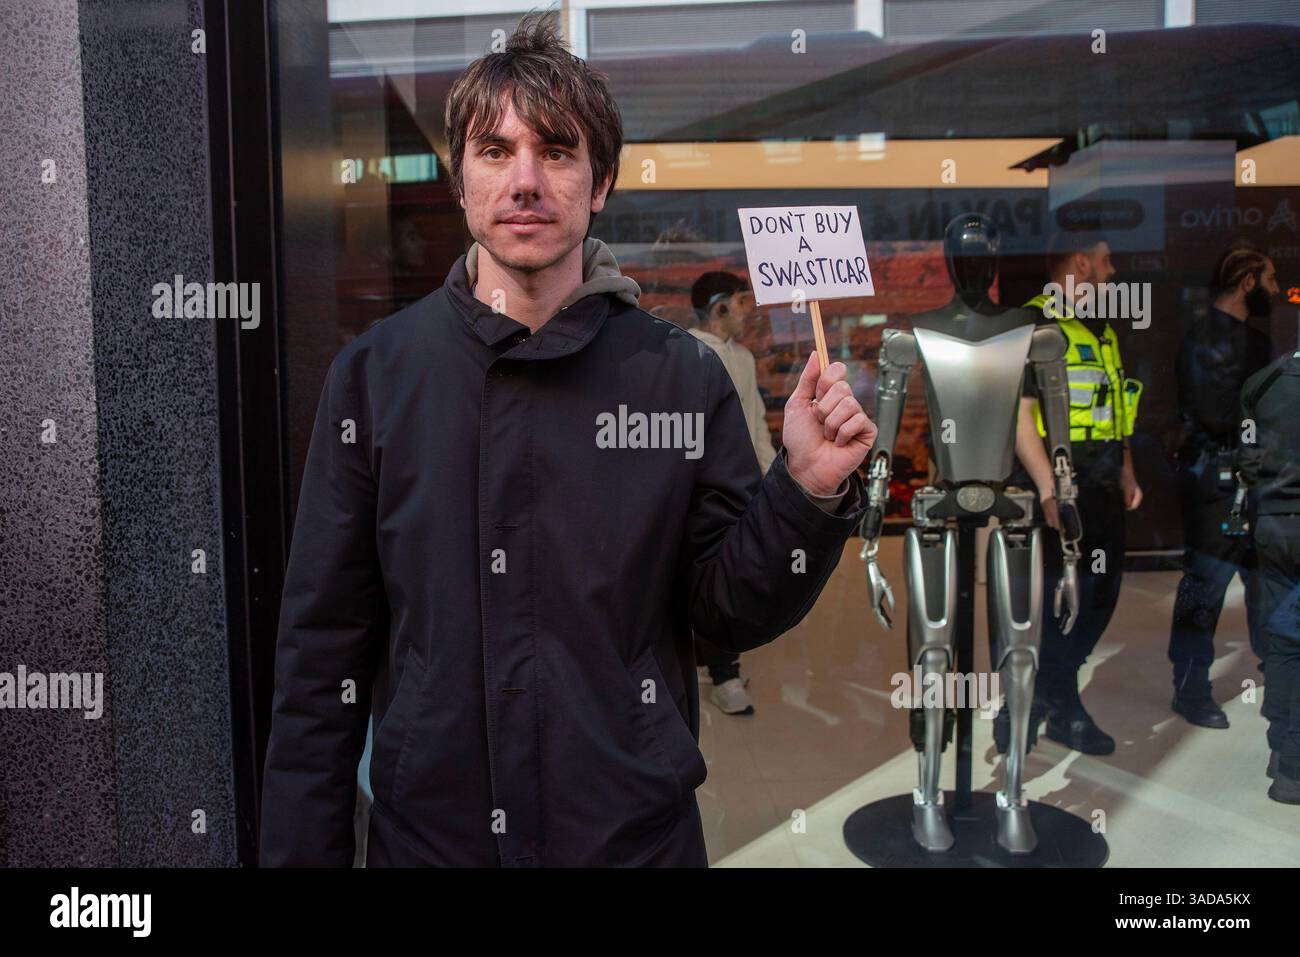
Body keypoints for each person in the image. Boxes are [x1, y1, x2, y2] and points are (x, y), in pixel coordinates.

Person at [257, 11, 876, 868]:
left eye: (556, 151)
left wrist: (805, 491)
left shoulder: (678, 377)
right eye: (495, 151)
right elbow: (322, 658)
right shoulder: (376, 378)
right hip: (432, 846)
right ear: (458, 177)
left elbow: (725, 609)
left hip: (631, 844)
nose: (525, 181)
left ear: (601, 180)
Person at [1007, 234, 1142, 756]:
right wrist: (1048, 488)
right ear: (1081, 262)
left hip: (1104, 480)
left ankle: (1049, 691)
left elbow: (1116, 407)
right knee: (1061, 597)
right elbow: (1020, 419)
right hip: (1063, 482)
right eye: (1106, 260)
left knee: (1100, 595)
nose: (1112, 271)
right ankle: (1058, 702)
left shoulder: (1102, 328)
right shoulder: (1035, 324)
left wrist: (1127, 468)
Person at [1167, 246, 1276, 728]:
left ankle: (1278, 672)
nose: (1277, 288)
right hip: (1215, 482)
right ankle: (1190, 690)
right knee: (1204, 586)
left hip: (1253, 479)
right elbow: (1215, 414)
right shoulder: (1203, 340)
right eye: (1270, 279)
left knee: (1265, 582)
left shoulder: (1253, 340)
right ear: (1249, 281)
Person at [687, 272, 779, 715]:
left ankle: (723, 669)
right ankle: (713, 666)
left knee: (728, 576)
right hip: (691, 487)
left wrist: (773, 478)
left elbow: (756, 421)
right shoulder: (683, 351)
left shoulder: (742, 358)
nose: (748, 313)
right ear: (720, 307)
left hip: (734, 486)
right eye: (742, 303)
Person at [1238, 347, 1300, 804]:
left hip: (1273, 525)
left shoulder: (1261, 381)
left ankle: (1281, 753)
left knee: (1283, 644)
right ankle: (1294, 770)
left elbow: (1247, 456)